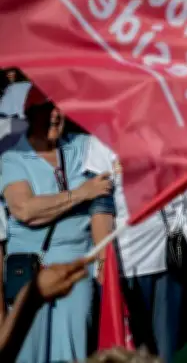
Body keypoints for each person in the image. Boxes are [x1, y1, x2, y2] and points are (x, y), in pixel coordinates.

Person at [0, 89, 113, 363]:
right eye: (46, 108)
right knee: (30, 351)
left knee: (74, 350)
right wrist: (81, 193)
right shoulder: (12, 158)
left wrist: (103, 261)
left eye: (60, 107)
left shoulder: (82, 147)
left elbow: (104, 199)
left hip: (78, 269)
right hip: (32, 271)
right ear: (29, 114)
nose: (55, 114)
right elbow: (25, 210)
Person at [84, 137, 187, 362]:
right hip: (128, 261)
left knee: (167, 351)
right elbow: (100, 206)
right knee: (130, 353)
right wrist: (102, 264)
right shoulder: (103, 136)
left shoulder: (175, 125)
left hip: (171, 259)